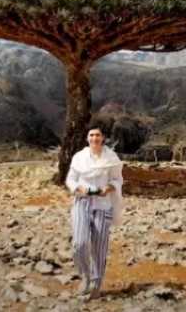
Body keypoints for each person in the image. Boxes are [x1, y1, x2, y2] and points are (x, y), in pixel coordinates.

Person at [65, 123, 124, 300]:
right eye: (91, 135)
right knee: (79, 243)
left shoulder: (112, 158)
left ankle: (96, 284)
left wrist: (110, 187)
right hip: (82, 202)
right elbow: (70, 179)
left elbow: (117, 179)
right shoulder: (79, 157)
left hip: (103, 205)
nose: (94, 139)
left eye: (97, 135)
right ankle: (85, 276)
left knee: (99, 248)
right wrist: (78, 188)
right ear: (87, 138)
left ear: (103, 138)